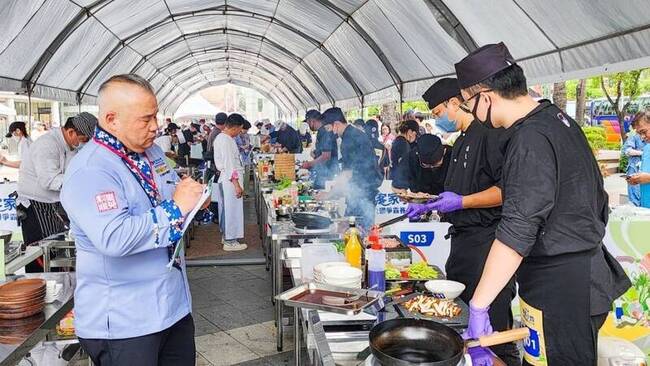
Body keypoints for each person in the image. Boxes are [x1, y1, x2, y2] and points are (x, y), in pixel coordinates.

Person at [455, 42, 629, 365]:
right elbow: (597, 196)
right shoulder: (557, 119)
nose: (471, 114)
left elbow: (517, 231)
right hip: (581, 278)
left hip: (564, 290)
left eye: (468, 104)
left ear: (486, 98)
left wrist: (478, 306)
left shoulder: (529, 141)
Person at [60, 74, 203, 366]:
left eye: (156, 116)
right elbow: (114, 238)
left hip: (171, 307)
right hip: (125, 322)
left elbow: (171, 190)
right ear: (112, 119)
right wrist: (176, 208)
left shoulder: (151, 153)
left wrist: (193, 199)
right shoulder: (91, 169)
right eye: (146, 119)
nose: (156, 126)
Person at [406, 77, 519, 364]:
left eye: (438, 113)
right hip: (462, 245)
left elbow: (506, 190)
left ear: (456, 102)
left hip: (487, 245)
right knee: (463, 326)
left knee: (492, 333)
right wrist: (430, 204)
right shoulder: (459, 142)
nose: (437, 119)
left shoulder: (490, 135)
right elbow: (456, 191)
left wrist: (461, 202)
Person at [17, 112, 97, 247]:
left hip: (55, 204)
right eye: (85, 140)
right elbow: (49, 180)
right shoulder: (47, 145)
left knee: (58, 247)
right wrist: (83, 183)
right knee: (42, 251)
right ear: (71, 132)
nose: (85, 144)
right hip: (37, 206)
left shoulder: (69, 147)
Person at [328, 107, 382, 230]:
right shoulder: (353, 134)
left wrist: (330, 194)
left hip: (363, 194)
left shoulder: (349, 139)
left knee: (358, 233)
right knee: (355, 231)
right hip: (361, 192)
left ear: (336, 124)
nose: (330, 132)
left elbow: (348, 173)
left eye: (329, 128)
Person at [213, 113, 248, 251]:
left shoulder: (223, 138)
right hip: (230, 181)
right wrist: (236, 185)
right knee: (231, 210)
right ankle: (230, 241)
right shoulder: (226, 140)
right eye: (240, 129)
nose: (240, 132)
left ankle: (227, 236)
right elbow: (229, 165)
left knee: (226, 210)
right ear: (235, 127)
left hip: (227, 179)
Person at [301, 110, 338, 189]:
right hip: (323, 171)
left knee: (320, 193)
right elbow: (323, 151)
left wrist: (309, 164)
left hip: (327, 173)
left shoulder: (325, 131)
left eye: (308, 123)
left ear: (312, 121)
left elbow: (326, 156)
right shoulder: (321, 131)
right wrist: (315, 154)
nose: (308, 126)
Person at [622, 113, 646, 206]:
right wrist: (643, 153)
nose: (643, 137)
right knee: (635, 199)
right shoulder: (634, 135)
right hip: (635, 168)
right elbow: (627, 150)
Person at [628, 111, 650, 207]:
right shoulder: (646, 149)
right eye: (639, 134)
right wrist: (637, 179)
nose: (642, 137)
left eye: (644, 132)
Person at [390, 120, 419, 190]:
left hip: (395, 178)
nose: (415, 137)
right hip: (400, 182)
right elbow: (404, 165)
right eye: (415, 134)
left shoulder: (398, 141)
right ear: (409, 132)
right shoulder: (403, 144)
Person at [236, 120, 253, 193]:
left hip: (247, 157)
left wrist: (250, 147)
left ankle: (246, 191)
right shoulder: (236, 136)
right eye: (246, 129)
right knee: (241, 176)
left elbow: (249, 144)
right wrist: (241, 147)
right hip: (240, 158)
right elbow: (234, 147)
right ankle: (241, 191)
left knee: (247, 176)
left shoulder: (246, 135)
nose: (247, 131)